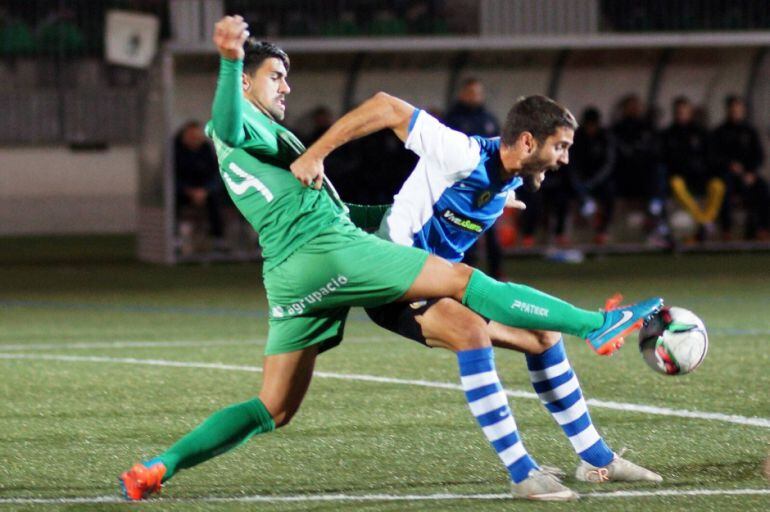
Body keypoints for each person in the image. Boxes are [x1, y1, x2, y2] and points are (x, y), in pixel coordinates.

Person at [119, 16, 662, 501]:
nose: (286, 85)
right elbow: (228, 124)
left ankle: (158, 467)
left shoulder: (269, 137)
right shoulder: (242, 121)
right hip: (326, 251)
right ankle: (595, 325)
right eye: (275, 76)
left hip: (290, 272)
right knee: (462, 282)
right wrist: (228, 60)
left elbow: (329, 207)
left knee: (274, 408)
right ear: (244, 82)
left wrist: (417, 209)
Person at [311, 94, 662, 500]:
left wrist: (499, 194)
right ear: (528, 142)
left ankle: (597, 459)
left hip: (431, 279)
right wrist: (316, 155)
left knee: (544, 335)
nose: (565, 159)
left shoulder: (507, 173)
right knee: (470, 330)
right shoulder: (461, 152)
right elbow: (386, 106)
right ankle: (524, 470)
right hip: (391, 278)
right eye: (560, 146)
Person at [445, 77, 505, 277]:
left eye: (478, 93)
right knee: (464, 229)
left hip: (490, 185)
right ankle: (464, 274)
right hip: (462, 186)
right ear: (462, 94)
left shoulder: (489, 119)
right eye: (471, 93)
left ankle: (497, 274)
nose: (475, 97)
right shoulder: (452, 120)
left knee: (492, 232)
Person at [662, 97, 724, 243]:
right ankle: (702, 221)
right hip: (681, 177)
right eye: (678, 112)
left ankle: (706, 219)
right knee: (675, 183)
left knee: (718, 185)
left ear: (690, 113)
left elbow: (711, 157)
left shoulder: (701, 133)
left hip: (701, 177)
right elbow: (667, 158)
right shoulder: (669, 134)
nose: (681, 115)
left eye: (684, 112)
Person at [612, 94, 670, 246]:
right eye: (631, 106)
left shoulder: (648, 127)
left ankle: (657, 220)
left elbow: (657, 151)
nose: (635, 109)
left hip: (647, 176)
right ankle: (657, 223)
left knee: (658, 173)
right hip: (627, 176)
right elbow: (621, 154)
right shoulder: (618, 129)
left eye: (637, 106)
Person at [710, 95, 770, 241]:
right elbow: (713, 156)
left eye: (738, 109)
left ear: (743, 110)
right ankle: (726, 229)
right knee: (723, 188)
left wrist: (751, 172)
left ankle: (763, 228)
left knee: (763, 188)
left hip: (747, 175)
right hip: (728, 175)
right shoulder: (719, 132)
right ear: (728, 110)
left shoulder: (750, 131)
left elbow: (759, 155)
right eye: (733, 109)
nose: (735, 112)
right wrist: (729, 164)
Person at [174, 120, 227, 249]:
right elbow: (171, 178)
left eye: (198, 137)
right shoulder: (175, 151)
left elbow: (216, 174)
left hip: (205, 192)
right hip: (183, 192)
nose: (195, 140)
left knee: (216, 200)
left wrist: (205, 190)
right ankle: (175, 239)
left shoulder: (206, 150)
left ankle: (218, 239)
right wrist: (189, 191)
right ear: (184, 136)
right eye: (191, 136)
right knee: (172, 202)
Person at [568, 107, 617, 245]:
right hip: (580, 181)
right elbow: (572, 164)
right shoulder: (577, 138)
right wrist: (579, 182)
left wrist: (594, 181)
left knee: (609, 193)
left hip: (599, 180)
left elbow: (608, 163)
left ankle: (603, 231)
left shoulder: (605, 137)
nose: (591, 129)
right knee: (568, 194)